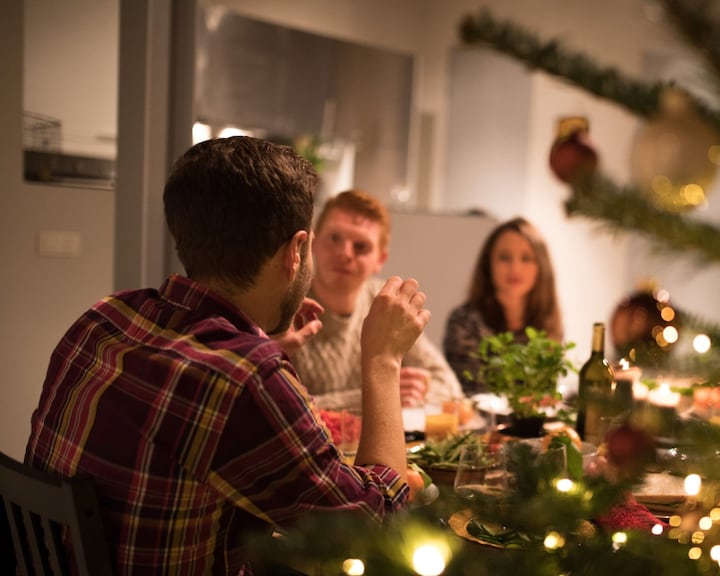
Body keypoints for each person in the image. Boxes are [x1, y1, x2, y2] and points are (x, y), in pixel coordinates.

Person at [24, 136, 428, 575]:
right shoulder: (247, 378)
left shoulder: (104, 317)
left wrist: (264, 348)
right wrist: (383, 361)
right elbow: (374, 530)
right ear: (295, 252)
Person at [290, 189, 463, 410]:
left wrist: (412, 392)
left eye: (360, 246)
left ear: (380, 260)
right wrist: (380, 393)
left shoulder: (386, 303)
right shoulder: (286, 303)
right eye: (334, 238)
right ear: (313, 242)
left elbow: (449, 387)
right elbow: (281, 406)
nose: (344, 253)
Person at [444, 217, 563, 394]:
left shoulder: (548, 322)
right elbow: (470, 392)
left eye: (526, 258)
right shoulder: (464, 321)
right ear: (488, 264)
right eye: (504, 258)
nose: (515, 268)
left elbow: (545, 393)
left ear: (541, 266)